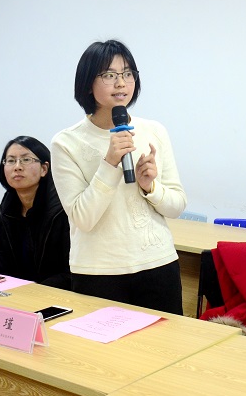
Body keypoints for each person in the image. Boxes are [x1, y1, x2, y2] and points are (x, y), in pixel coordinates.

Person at [50, 39, 187, 314]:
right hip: (98, 272)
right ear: (88, 82)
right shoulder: (66, 143)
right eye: (109, 75)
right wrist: (109, 163)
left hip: (158, 264)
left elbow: (177, 206)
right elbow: (83, 219)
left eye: (127, 73)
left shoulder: (154, 131)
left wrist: (151, 188)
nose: (121, 83)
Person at [0, 136, 71, 289]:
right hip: (19, 292)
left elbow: (71, 272)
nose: (17, 167)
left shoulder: (62, 209)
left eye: (26, 160)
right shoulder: (5, 209)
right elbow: (2, 262)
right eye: (11, 161)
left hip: (57, 293)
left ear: (44, 169)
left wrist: (33, 291)